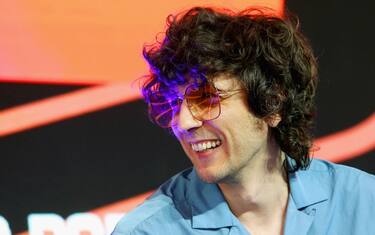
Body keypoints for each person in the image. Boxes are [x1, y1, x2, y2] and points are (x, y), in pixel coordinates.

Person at [112, 6, 375, 235]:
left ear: (272, 104)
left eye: (206, 99)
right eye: (174, 103)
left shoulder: (365, 204)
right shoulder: (146, 231)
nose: (184, 122)